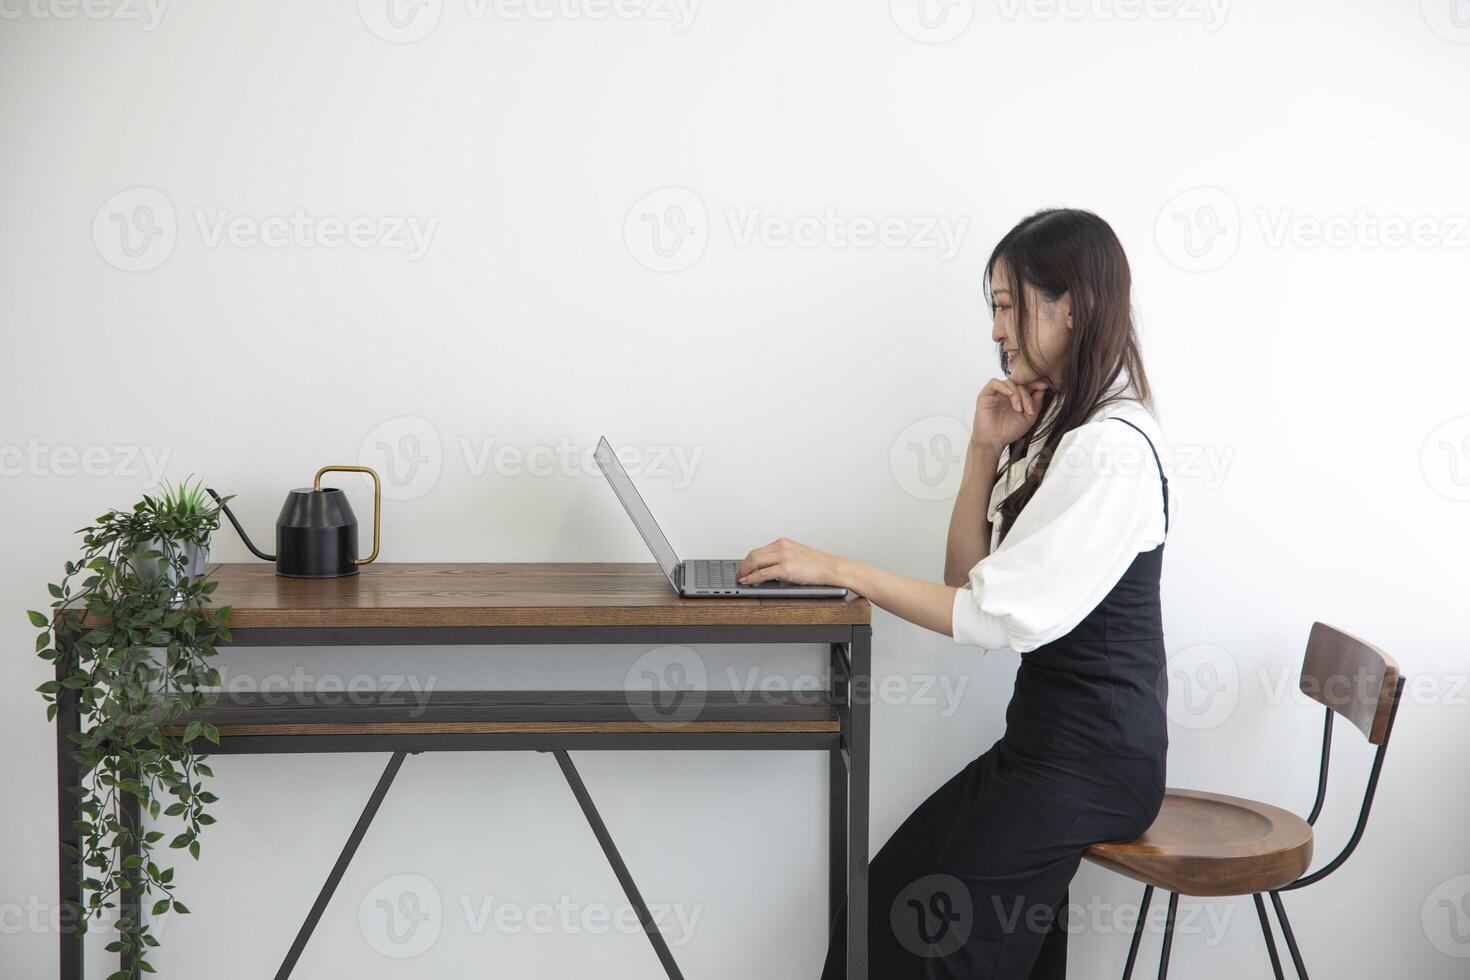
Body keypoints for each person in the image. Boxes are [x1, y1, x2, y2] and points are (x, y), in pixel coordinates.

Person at [737, 208, 1170, 978]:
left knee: (913, 934)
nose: (998, 332)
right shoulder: (1071, 430)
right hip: (1044, 748)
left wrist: (839, 568)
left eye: (1008, 305)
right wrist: (981, 449)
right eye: (994, 309)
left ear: (1070, 303)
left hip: (1092, 765)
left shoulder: (1112, 450)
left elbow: (984, 618)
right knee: (884, 908)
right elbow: (965, 581)